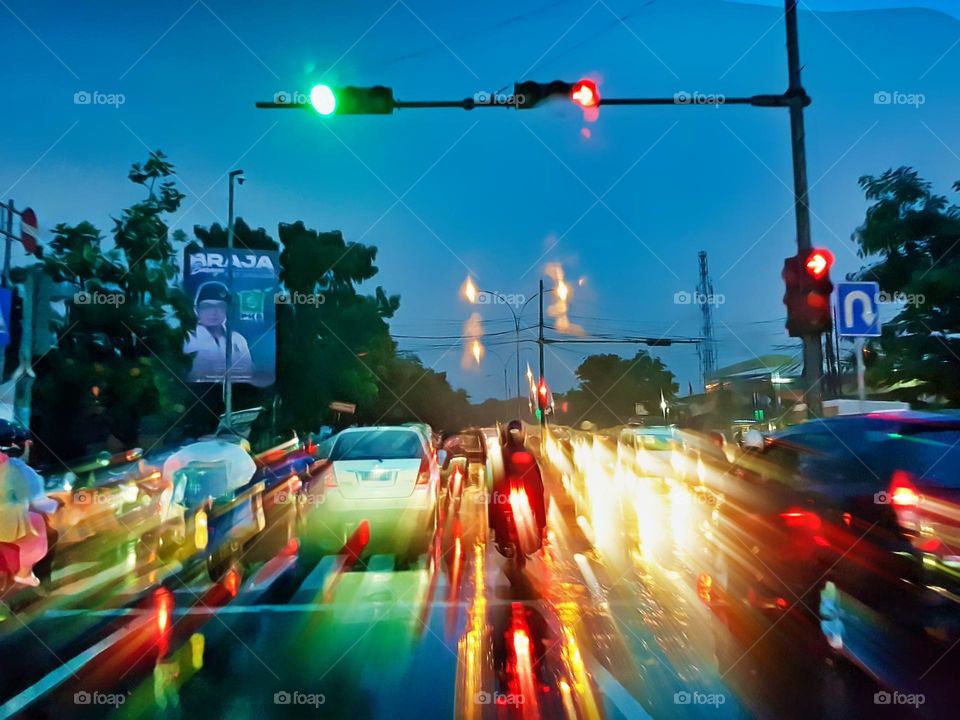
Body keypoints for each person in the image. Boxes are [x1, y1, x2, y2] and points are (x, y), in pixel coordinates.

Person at [491, 420, 547, 556]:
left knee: (495, 504)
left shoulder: (506, 452)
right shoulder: (525, 451)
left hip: (517, 492)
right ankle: (539, 533)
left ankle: (502, 539)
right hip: (517, 491)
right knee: (495, 503)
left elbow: (498, 476)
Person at [184, 281, 253, 383]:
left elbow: (249, 374)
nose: (213, 312)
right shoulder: (186, 339)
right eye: (207, 306)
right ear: (196, 310)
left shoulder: (238, 339)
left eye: (220, 306)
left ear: (227, 310)